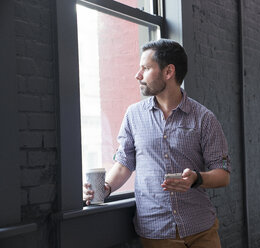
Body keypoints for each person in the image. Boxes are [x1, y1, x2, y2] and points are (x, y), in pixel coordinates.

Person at [83, 39, 231, 248]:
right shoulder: (133, 115)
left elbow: (223, 174)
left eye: (145, 68)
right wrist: (105, 188)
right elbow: (124, 164)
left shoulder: (204, 118)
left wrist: (196, 178)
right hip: (157, 232)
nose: (138, 74)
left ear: (168, 72)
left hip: (201, 230)